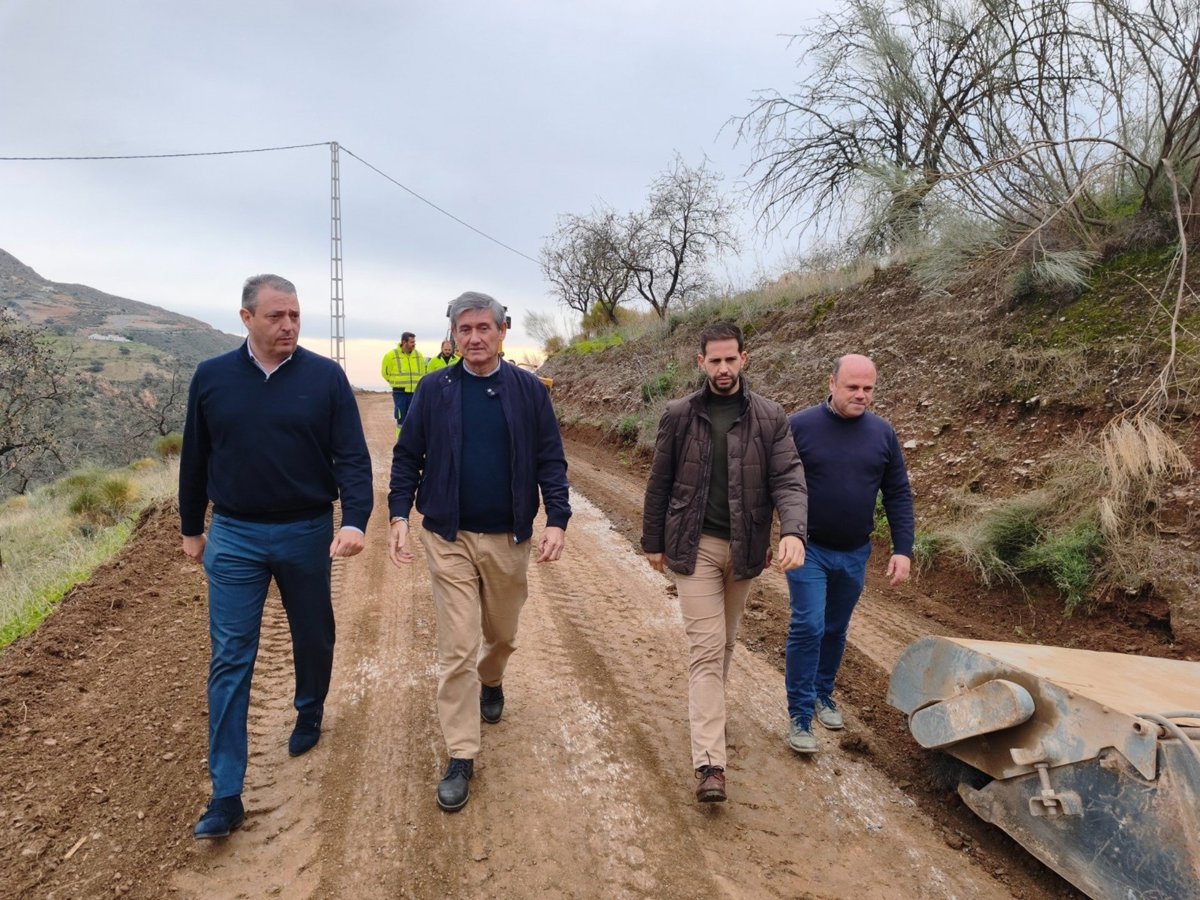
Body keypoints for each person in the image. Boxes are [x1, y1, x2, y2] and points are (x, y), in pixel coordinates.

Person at [179, 274, 373, 839]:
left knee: (314, 634)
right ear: (246, 318)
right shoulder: (212, 377)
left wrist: (355, 519)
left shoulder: (325, 378)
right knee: (230, 656)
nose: (288, 326)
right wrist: (192, 528)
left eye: (294, 315)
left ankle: (309, 708)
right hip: (234, 534)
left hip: (305, 530)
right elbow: (195, 456)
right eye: (275, 316)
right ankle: (226, 793)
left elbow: (351, 457)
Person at [387, 290, 571, 813]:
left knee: (503, 633)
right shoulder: (434, 389)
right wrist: (400, 515)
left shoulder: (529, 391)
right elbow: (407, 457)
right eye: (464, 329)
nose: (473, 338)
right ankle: (461, 753)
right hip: (448, 537)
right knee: (457, 647)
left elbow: (550, 459)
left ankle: (493, 679)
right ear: (453, 334)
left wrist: (557, 519)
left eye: (483, 328)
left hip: (509, 537)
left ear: (502, 331)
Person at [641, 322, 808, 804]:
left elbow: (789, 479)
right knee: (708, 648)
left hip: (746, 547)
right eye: (714, 360)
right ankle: (710, 763)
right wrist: (653, 541)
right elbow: (659, 481)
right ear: (701, 363)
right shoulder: (679, 415)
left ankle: (708, 711)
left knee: (727, 642)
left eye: (730, 359)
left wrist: (792, 531)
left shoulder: (770, 417)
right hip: (694, 547)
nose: (723, 368)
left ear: (744, 359)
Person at [784, 353, 913, 755]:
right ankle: (800, 714)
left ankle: (823, 693)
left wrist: (903, 549)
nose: (861, 395)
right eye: (852, 387)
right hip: (809, 548)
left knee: (835, 629)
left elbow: (897, 493)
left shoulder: (882, 433)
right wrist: (778, 536)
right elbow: (776, 483)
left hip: (855, 552)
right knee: (808, 626)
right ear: (831, 383)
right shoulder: (799, 426)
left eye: (868, 388)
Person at [381, 331, 428, 427]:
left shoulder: (419, 355)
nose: (414, 344)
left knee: (415, 420)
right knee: (401, 420)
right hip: (400, 393)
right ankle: (401, 437)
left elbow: (424, 372)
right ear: (404, 342)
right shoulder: (391, 356)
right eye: (411, 342)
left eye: (414, 342)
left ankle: (413, 437)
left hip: (415, 393)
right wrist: (395, 382)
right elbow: (385, 373)